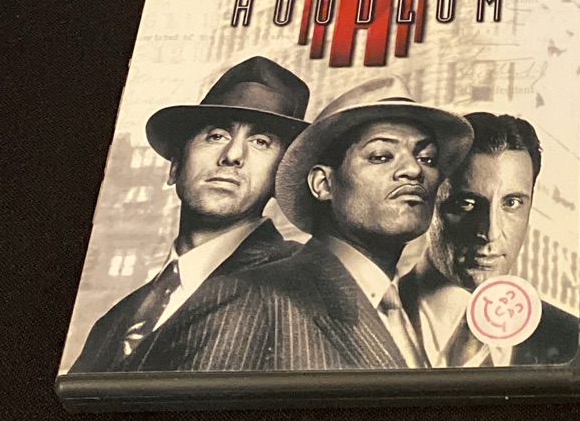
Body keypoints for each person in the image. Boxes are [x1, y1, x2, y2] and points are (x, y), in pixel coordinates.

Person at [174, 81, 473, 376]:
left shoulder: (414, 311)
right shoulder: (247, 300)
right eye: (381, 156)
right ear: (323, 184)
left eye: (427, 158)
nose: (414, 170)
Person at [68, 58, 308, 374]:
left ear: (280, 178)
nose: (233, 155)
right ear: (175, 167)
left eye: (261, 142)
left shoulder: (303, 282)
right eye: (216, 136)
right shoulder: (113, 321)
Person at [401, 112, 580, 368]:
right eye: (466, 203)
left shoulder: (570, 338)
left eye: (511, 203)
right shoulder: (373, 313)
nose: (490, 232)